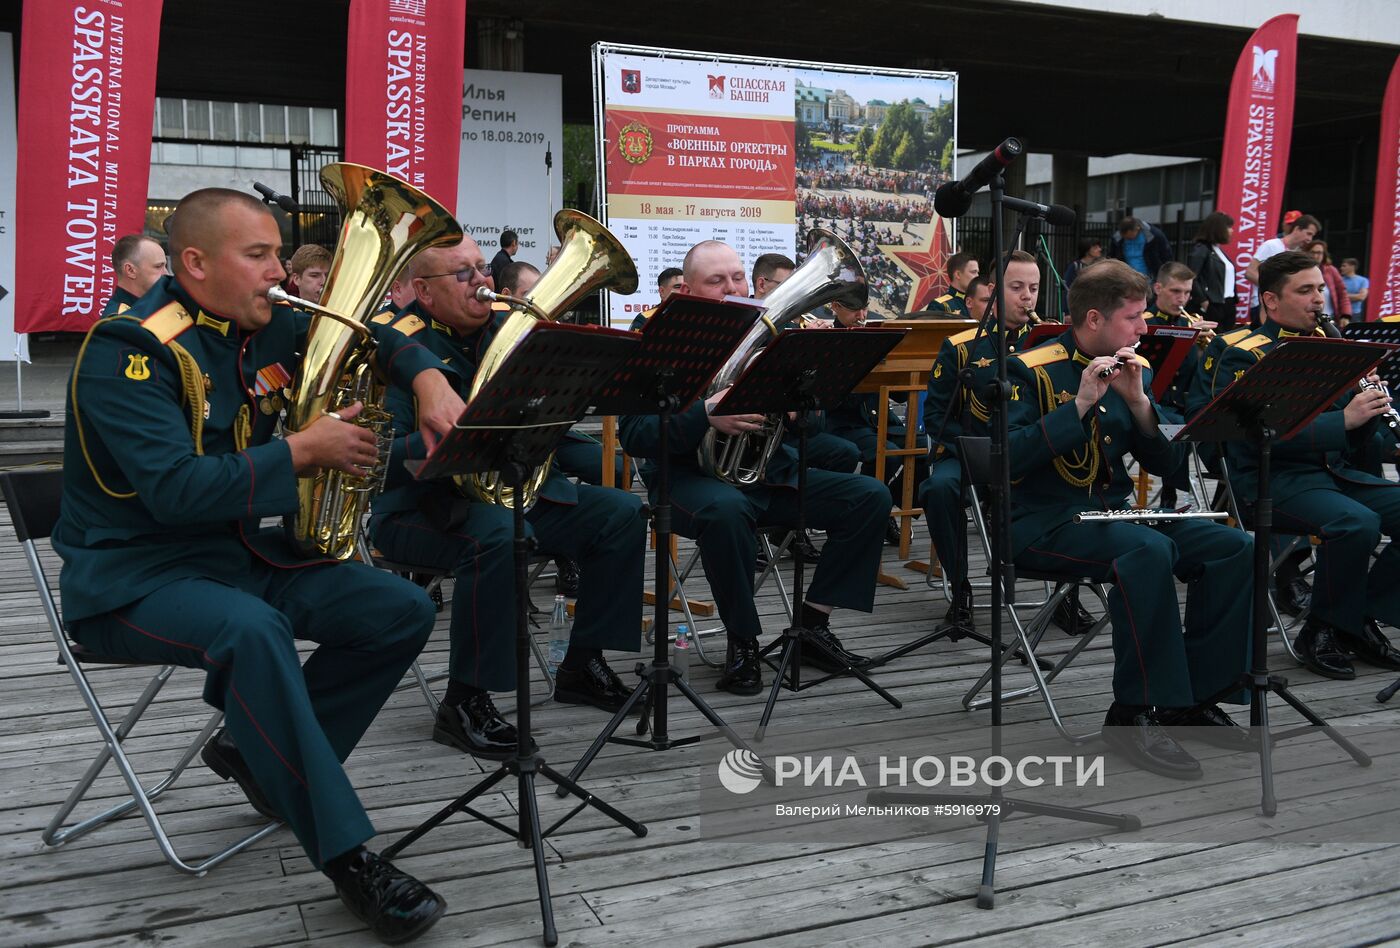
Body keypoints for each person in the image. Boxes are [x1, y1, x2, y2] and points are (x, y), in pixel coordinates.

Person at [54, 188, 464, 943]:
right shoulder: (130, 349)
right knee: (254, 630)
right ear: (195, 263)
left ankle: (256, 756)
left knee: (399, 609)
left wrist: (428, 376)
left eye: (279, 253)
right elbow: (176, 492)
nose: (280, 271)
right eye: (259, 255)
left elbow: (368, 332)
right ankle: (348, 859)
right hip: (130, 580)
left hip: (236, 558)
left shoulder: (264, 322)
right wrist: (302, 452)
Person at [368, 235, 649, 752]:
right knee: (497, 536)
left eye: (482, 268)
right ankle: (464, 700)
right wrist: (456, 436)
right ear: (424, 293)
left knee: (621, 513)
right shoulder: (398, 347)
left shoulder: (513, 332)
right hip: (420, 510)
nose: (483, 281)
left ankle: (584, 663)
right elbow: (378, 461)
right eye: (463, 274)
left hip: (512, 494)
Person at [1007, 259, 1254, 779]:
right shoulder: (1027, 369)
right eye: (1135, 318)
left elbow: (1168, 467)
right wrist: (1078, 405)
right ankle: (1135, 711)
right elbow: (1004, 462)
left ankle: (1194, 698)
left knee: (1233, 547)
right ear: (1094, 318)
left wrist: (1140, 404)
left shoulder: (1127, 366)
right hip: (1041, 522)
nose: (1145, 329)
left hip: (1113, 514)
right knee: (1148, 551)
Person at [619, 239, 891, 695]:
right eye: (716, 280)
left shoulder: (774, 334)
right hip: (688, 480)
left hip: (766, 474)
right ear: (688, 288)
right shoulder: (658, 338)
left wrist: (797, 408)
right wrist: (704, 415)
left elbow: (814, 422)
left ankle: (813, 627)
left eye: (738, 277)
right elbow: (635, 434)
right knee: (728, 511)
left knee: (869, 497)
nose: (733, 287)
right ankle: (742, 642)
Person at [1212, 250, 1400, 680]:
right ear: (1272, 301)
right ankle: (1322, 629)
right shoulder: (1242, 352)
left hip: (1332, 475)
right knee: (1356, 523)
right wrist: (1346, 418)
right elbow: (1251, 436)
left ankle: (1357, 618)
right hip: (1271, 479)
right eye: (1305, 290)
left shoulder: (1332, 345)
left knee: (1373, 513)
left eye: (1319, 288)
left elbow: (1352, 438)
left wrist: (1369, 413)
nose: (1319, 299)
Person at [1244, 213, 1320, 324]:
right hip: (1265, 307)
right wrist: (1275, 290)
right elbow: (1250, 272)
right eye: (1308, 234)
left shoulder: (1300, 253)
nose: (1309, 239)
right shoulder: (1272, 245)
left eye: (1312, 236)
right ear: (1297, 229)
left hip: (1288, 308)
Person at [1185, 211, 1239, 327]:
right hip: (1214, 304)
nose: (1232, 230)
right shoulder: (1202, 250)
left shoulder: (1217, 250)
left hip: (1227, 303)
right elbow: (1192, 277)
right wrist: (1204, 302)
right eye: (1228, 227)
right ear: (1218, 229)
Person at [102, 234, 168, 315]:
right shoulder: (120, 319)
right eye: (158, 267)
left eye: (165, 266)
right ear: (130, 270)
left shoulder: (152, 305)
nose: (166, 273)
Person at [1305, 239, 1352, 325]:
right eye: (1312, 252)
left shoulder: (1331, 270)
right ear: (1306, 253)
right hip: (1308, 320)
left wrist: (1345, 315)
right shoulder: (1301, 271)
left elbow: (1343, 294)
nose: (1315, 256)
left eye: (1319, 253)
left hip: (1329, 320)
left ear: (1324, 255)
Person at [1108, 216, 1171, 280]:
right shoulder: (1117, 238)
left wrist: (1164, 275)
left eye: (1130, 237)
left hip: (1151, 278)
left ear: (1137, 228)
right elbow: (1112, 257)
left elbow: (1166, 255)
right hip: (1127, 279)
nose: (1128, 239)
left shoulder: (1155, 235)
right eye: (1125, 238)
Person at [926, 251, 980, 317]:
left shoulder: (979, 302)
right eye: (973, 272)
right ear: (958, 275)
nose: (977, 276)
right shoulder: (940, 305)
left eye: (977, 272)